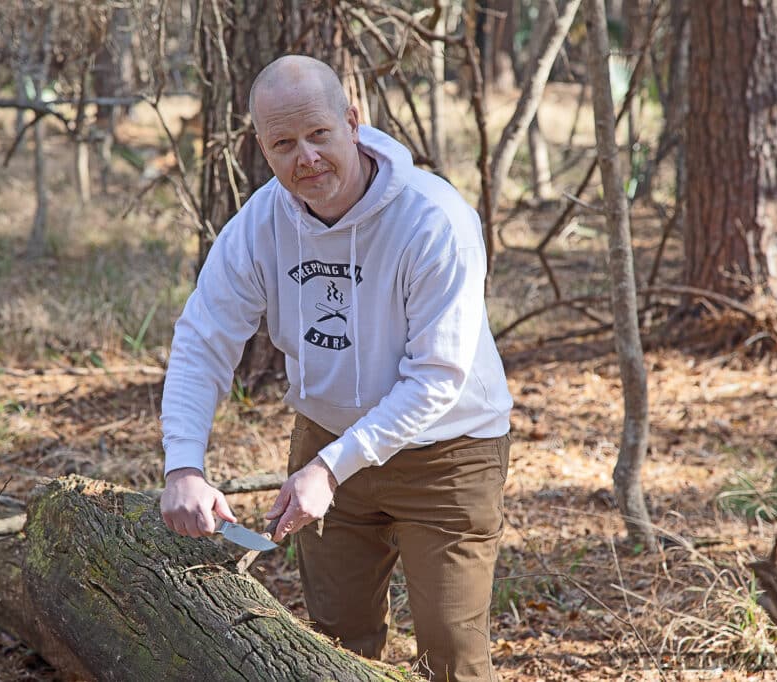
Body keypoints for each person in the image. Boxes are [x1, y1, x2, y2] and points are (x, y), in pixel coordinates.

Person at [159, 54, 513, 682]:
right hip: (325, 441)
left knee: (453, 658)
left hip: (448, 452)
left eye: (320, 134)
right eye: (284, 143)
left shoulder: (433, 220)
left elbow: (438, 376)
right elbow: (202, 339)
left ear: (353, 120)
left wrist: (328, 468)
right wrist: (184, 465)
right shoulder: (261, 224)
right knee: (333, 650)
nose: (307, 159)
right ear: (261, 146)